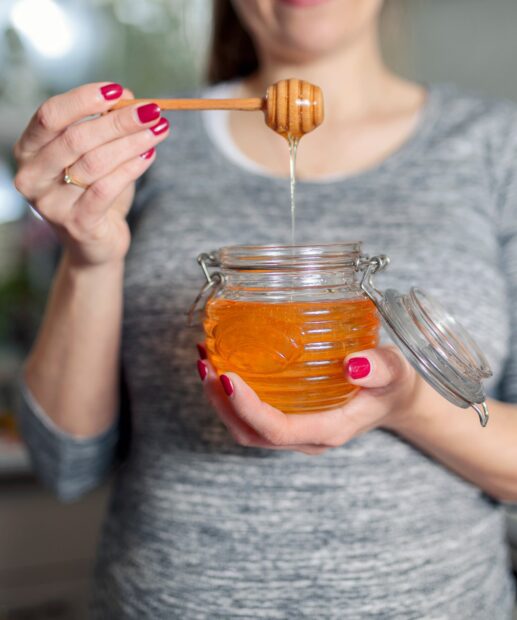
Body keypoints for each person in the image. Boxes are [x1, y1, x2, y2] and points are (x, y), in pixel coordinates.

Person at [12, 0, 517, 617]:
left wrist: (410, 407)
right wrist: (90, 258)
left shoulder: (499, 147)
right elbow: (64, 467)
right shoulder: (138, 148)